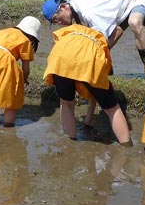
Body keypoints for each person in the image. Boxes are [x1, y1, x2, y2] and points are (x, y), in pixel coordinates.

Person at [41, 16, 131, 145]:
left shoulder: (70, 30)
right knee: (112, 108)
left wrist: (88, 121)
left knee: (66, 103)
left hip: (61, 57)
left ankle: (70, 142)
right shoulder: (99, 39)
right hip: (90, 58)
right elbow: (100, 77)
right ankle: (126, 144)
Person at [42, 0, 145, 72]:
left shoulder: (90, 13)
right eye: (54, 22)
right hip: (120, 7)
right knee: (96, 43)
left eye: (56, 18)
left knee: (134, 22)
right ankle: (143, 67)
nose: (58, 23)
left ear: (63, 7)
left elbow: (116, 33)